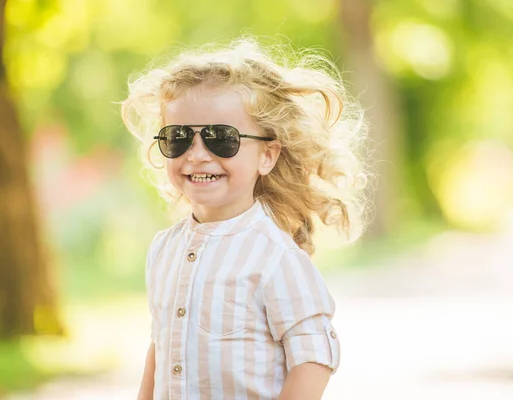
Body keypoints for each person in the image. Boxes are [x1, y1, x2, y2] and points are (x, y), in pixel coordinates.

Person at [121, 37, 371, 400]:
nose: (197, 155)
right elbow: (161, 348)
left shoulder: (275, 257)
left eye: (220, 139)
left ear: (267, 155)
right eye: (178, 138)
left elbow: (314, 356)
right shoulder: (164, 249)